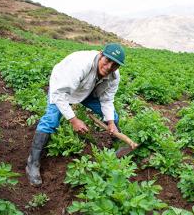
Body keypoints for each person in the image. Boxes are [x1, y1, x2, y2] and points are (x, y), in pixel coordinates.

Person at [26, 43, 125, 186]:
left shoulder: (114, 77)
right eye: (107, 60)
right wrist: (74, 120)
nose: (109, 67)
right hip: (62, 88)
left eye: (115, 65)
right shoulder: (80, 64)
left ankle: (118, 148)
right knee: (51, 120)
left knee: (113, 117)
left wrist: (110, 123)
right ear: (101, 54)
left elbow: (107, 100)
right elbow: (59, 95)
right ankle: (32, 163)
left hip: (88, 91)